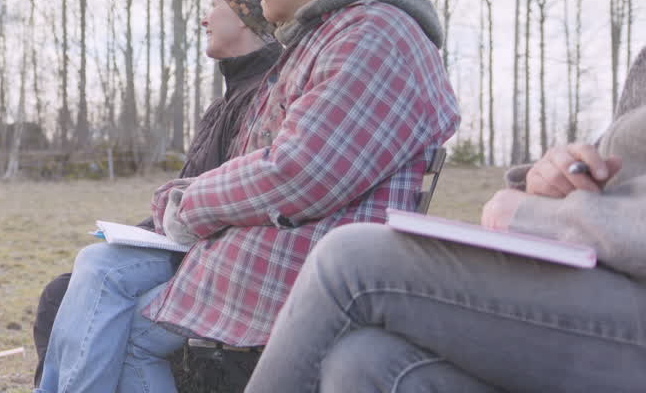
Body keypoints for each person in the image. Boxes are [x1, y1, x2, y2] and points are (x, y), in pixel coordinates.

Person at [35, 0, 460, 393]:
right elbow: (275, 163)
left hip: (304, 261)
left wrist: (189, 206)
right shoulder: (345, 32)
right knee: (98, 280)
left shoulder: (370, 34)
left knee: (123, 319)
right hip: (292, 244)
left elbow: (298, 173)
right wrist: (185, 196)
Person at [245, 45, 646, 393]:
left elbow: (300, 169)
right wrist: (550, 181)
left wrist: (532, 214)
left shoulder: (359, 39)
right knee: (364, 362)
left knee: (349, 260)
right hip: (605, 277)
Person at [32, 0, 282, 385]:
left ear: (241, 17)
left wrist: (170, 218)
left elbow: (235, 194)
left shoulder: (264, 96)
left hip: (214, 254)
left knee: (91, 276)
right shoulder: (228, 99)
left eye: (213, 7)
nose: (204, 18)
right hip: (186, 240)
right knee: (66, 288)